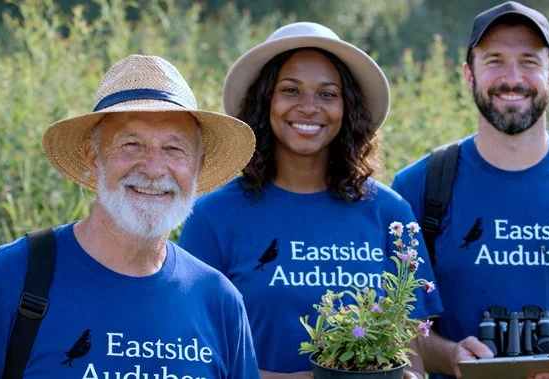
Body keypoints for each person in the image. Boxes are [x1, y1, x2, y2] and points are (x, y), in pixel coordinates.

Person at [0, 55, 261, 379]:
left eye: (174, 149)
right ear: (94, 158)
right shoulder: (10, 278)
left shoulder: (219, 302)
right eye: (131, 144)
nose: (153, 168)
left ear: (198, 167)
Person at [388, 2, 549, 378]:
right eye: (494, 60)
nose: (512, 77)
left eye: (529, 61)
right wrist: (449, 356)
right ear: (468, 75)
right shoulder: (418, 186)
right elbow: (398, 322)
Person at [181, 22, 439, 379]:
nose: (309, 107)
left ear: (348, 108)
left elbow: (410, 350)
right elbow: (195, 361)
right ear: (265, 101)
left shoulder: (391, 214)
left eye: (328, 94)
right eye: (290, 90)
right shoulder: (212, 218)